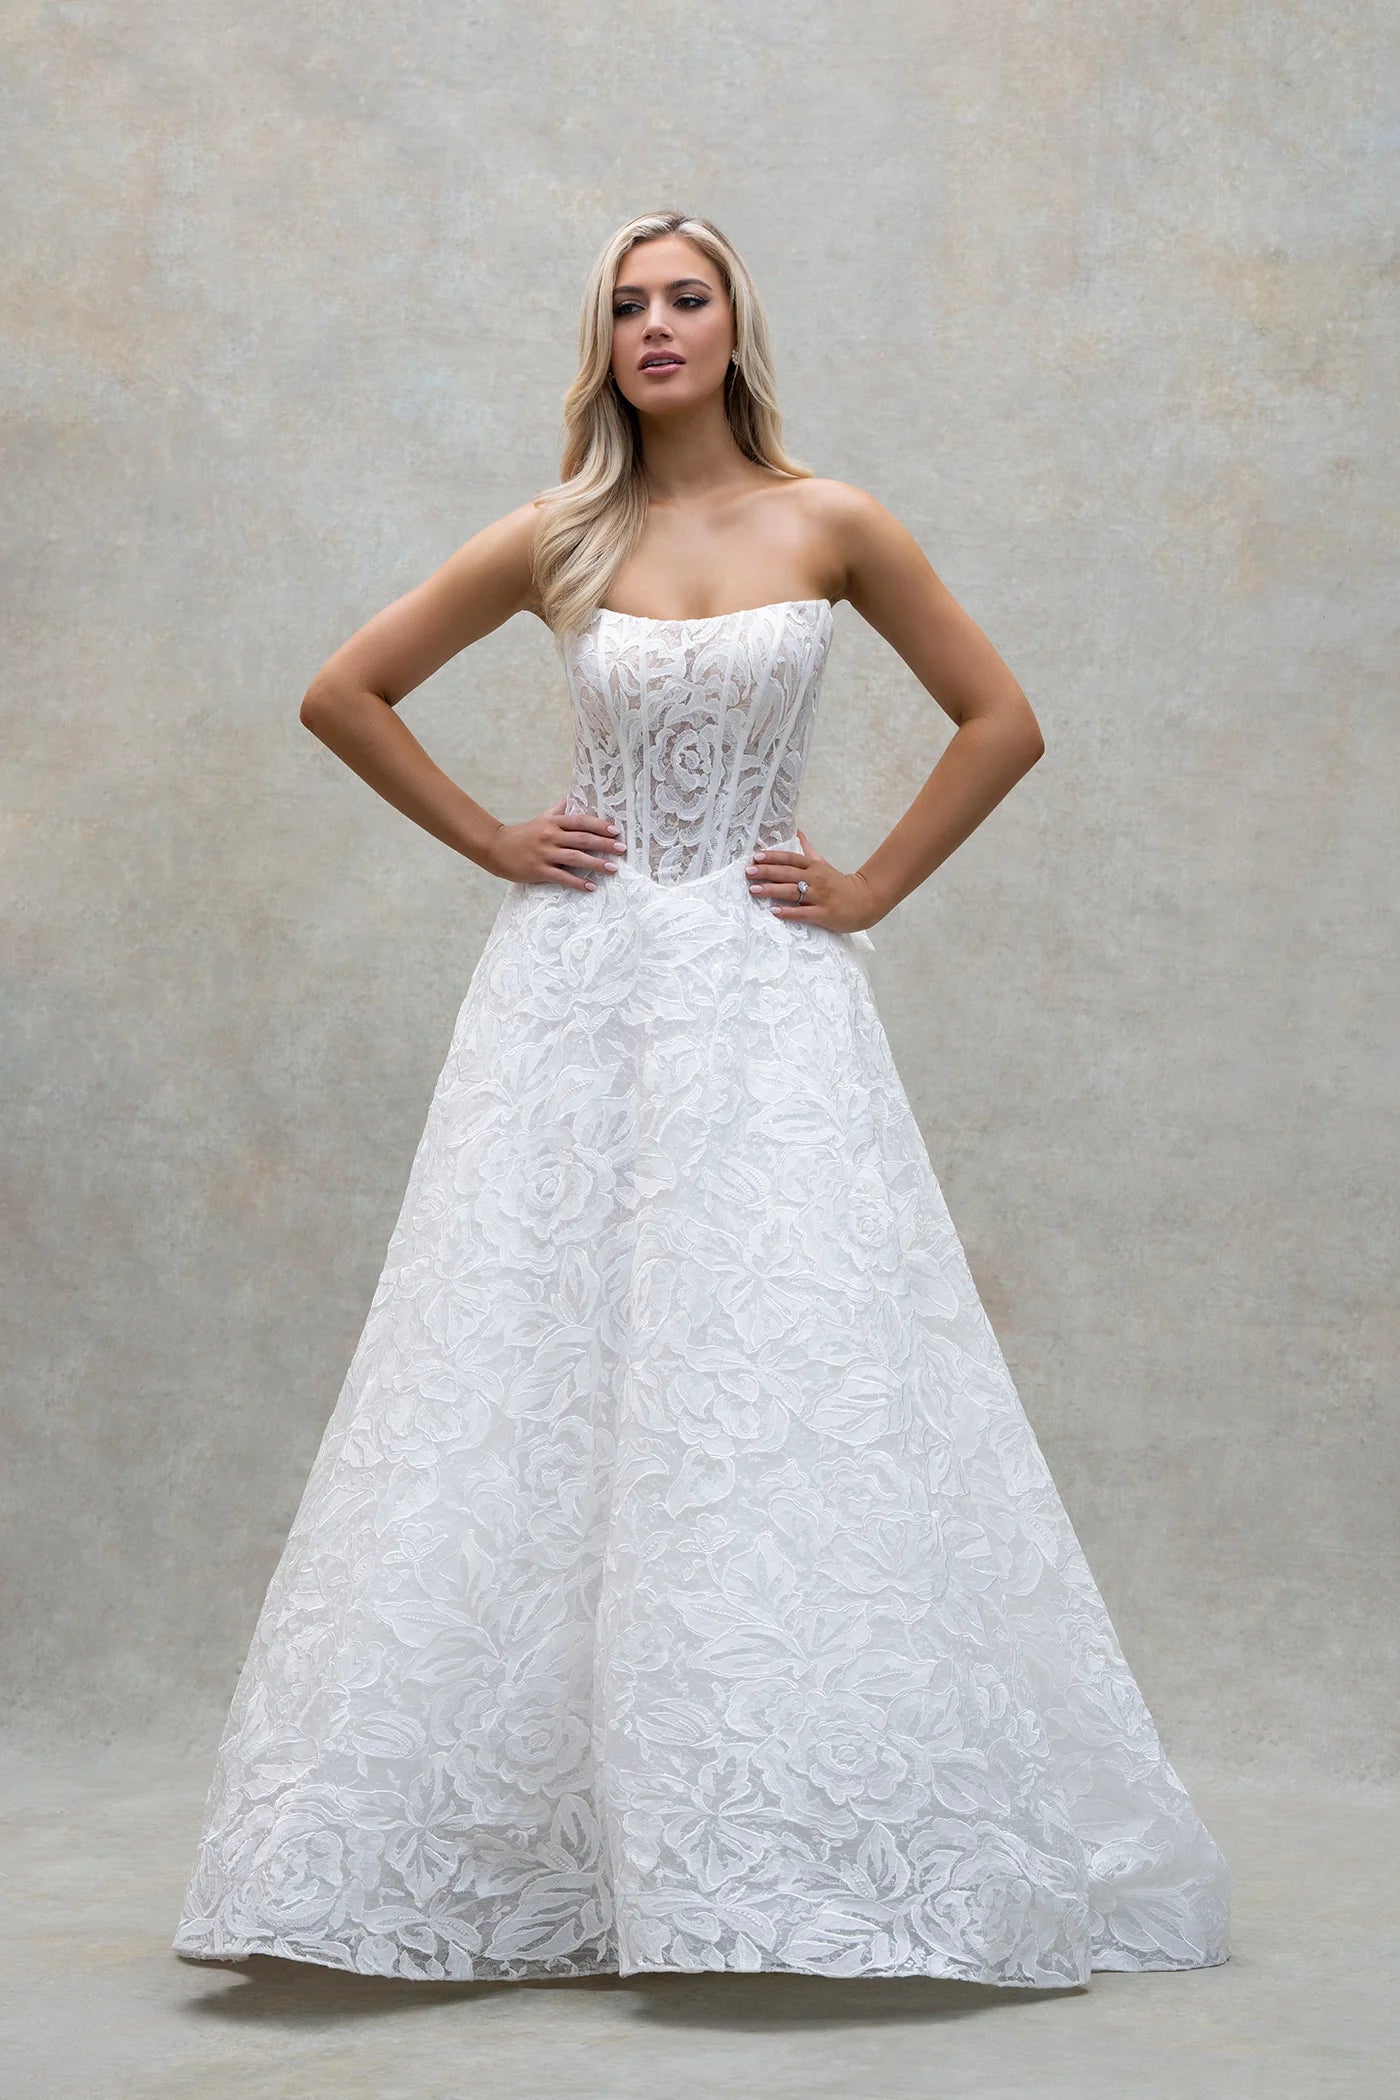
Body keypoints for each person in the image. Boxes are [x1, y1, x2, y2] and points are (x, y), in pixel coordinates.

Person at [172, 209, 1230, 1987]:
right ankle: (535, 1845)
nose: (657, 325)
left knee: (776, 1372)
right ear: (601, 343)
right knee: (534, 1365)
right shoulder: (560, 535)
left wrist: (873, 888)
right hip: (578, 997)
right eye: (626, 305)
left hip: (762, 999)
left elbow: (1001, 719)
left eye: (686, 296)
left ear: (738, 323)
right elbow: (340, 692)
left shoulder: (833, 520)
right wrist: (497, 836)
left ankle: (794, 1839)